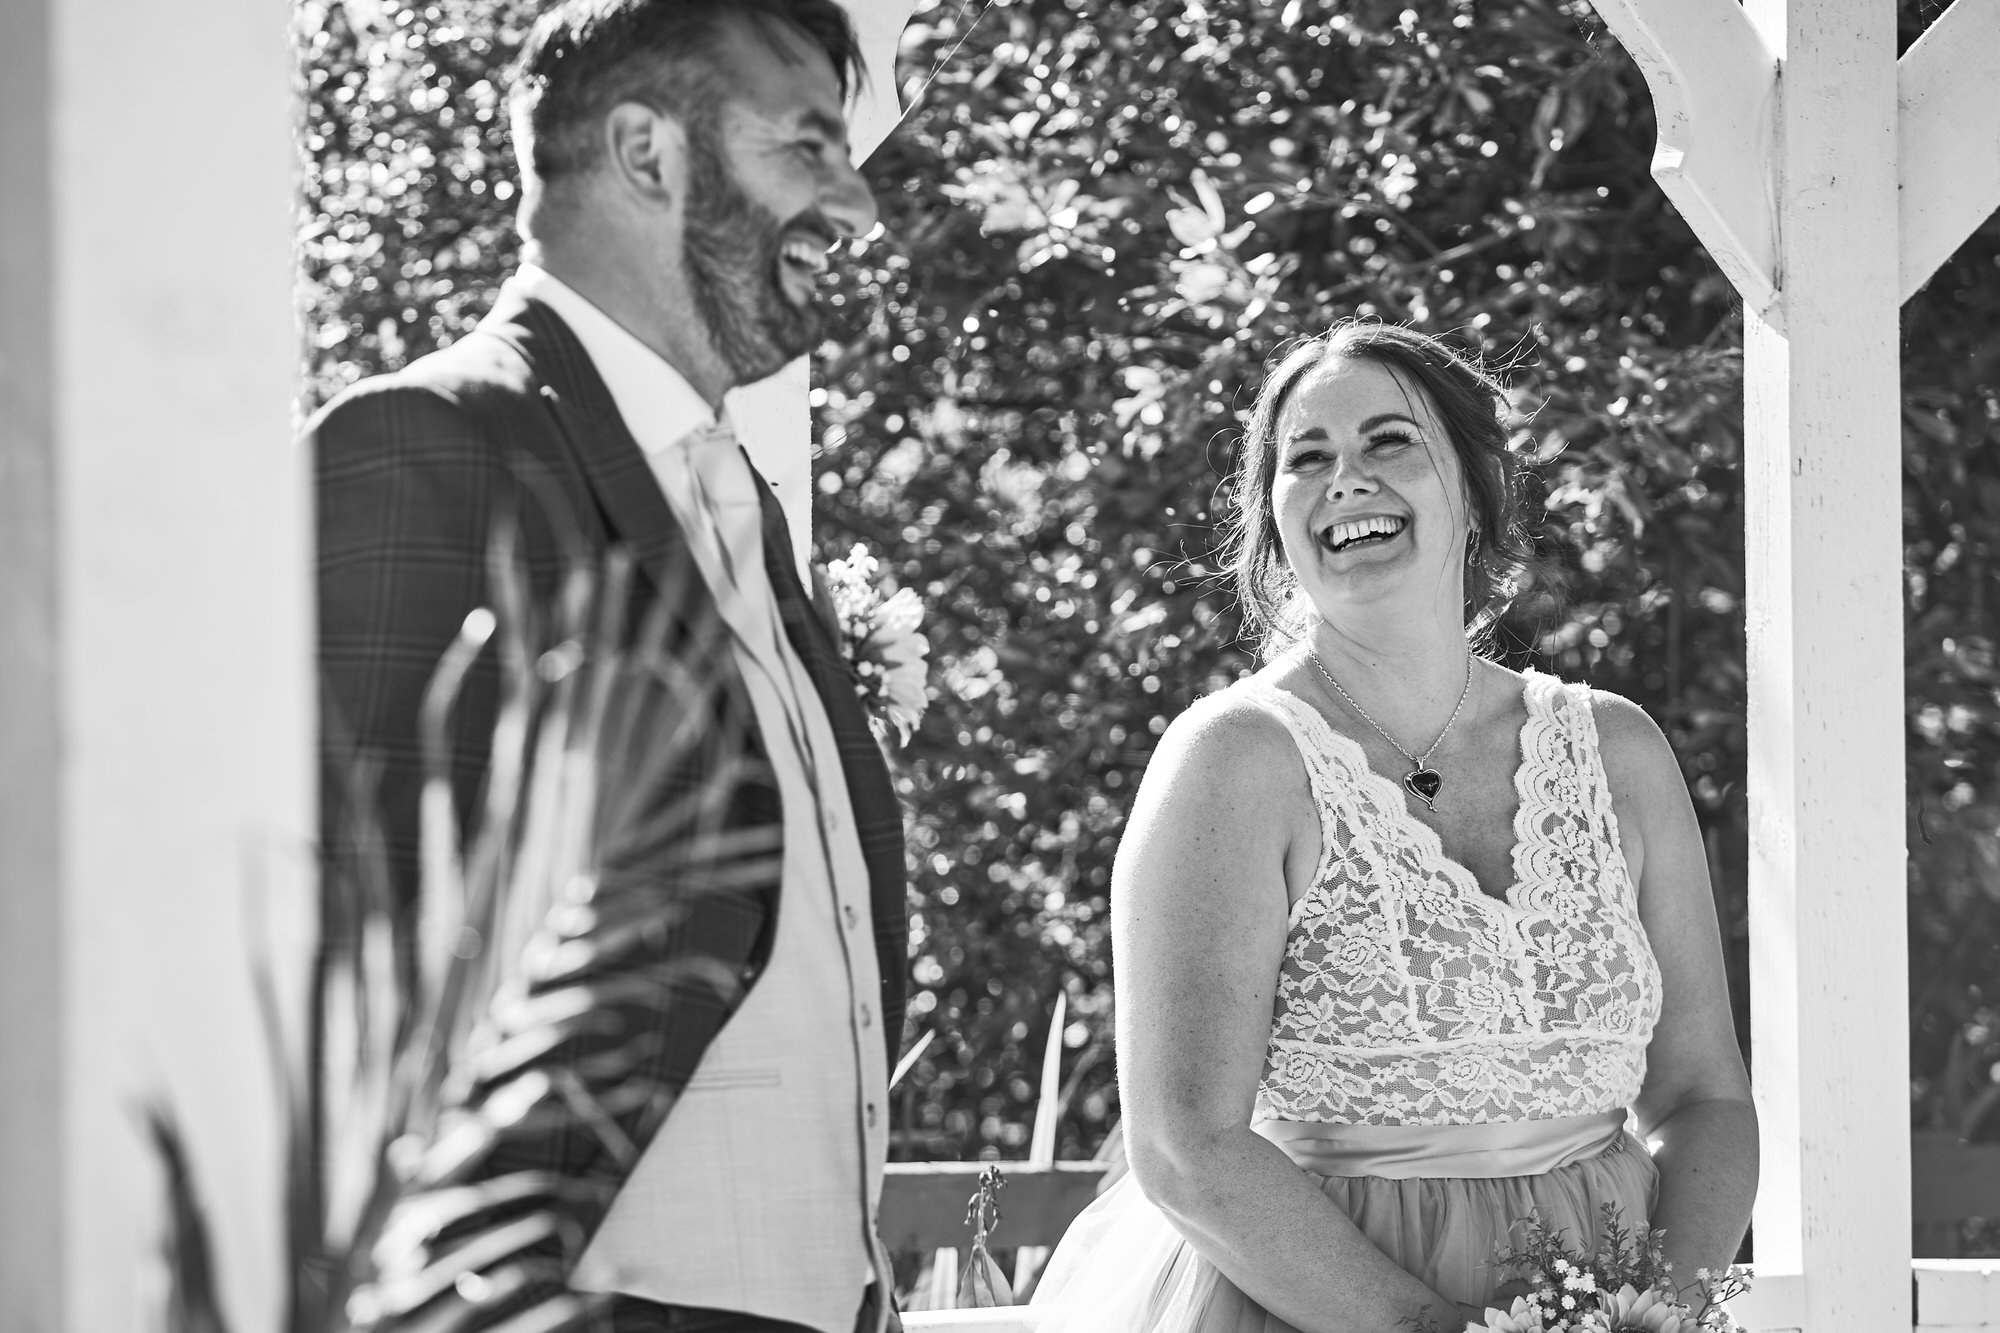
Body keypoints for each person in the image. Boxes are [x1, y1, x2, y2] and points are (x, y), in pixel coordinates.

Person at [311, 3, 907, 1331]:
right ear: (647, 152)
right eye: (806, 146)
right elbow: (342, 1018)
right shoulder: (424, 453)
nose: (855, 205)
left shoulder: (737, 496)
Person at [1031, 322, 1758, 1331]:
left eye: (1389, 442)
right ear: (1272, 517)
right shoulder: (1233, 762)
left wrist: (1654, 1313)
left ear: (1475, 489)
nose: (1346, 479)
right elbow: (1184, 1146)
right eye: (1306, 458)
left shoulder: (1617, 751)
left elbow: (1702, 1096)